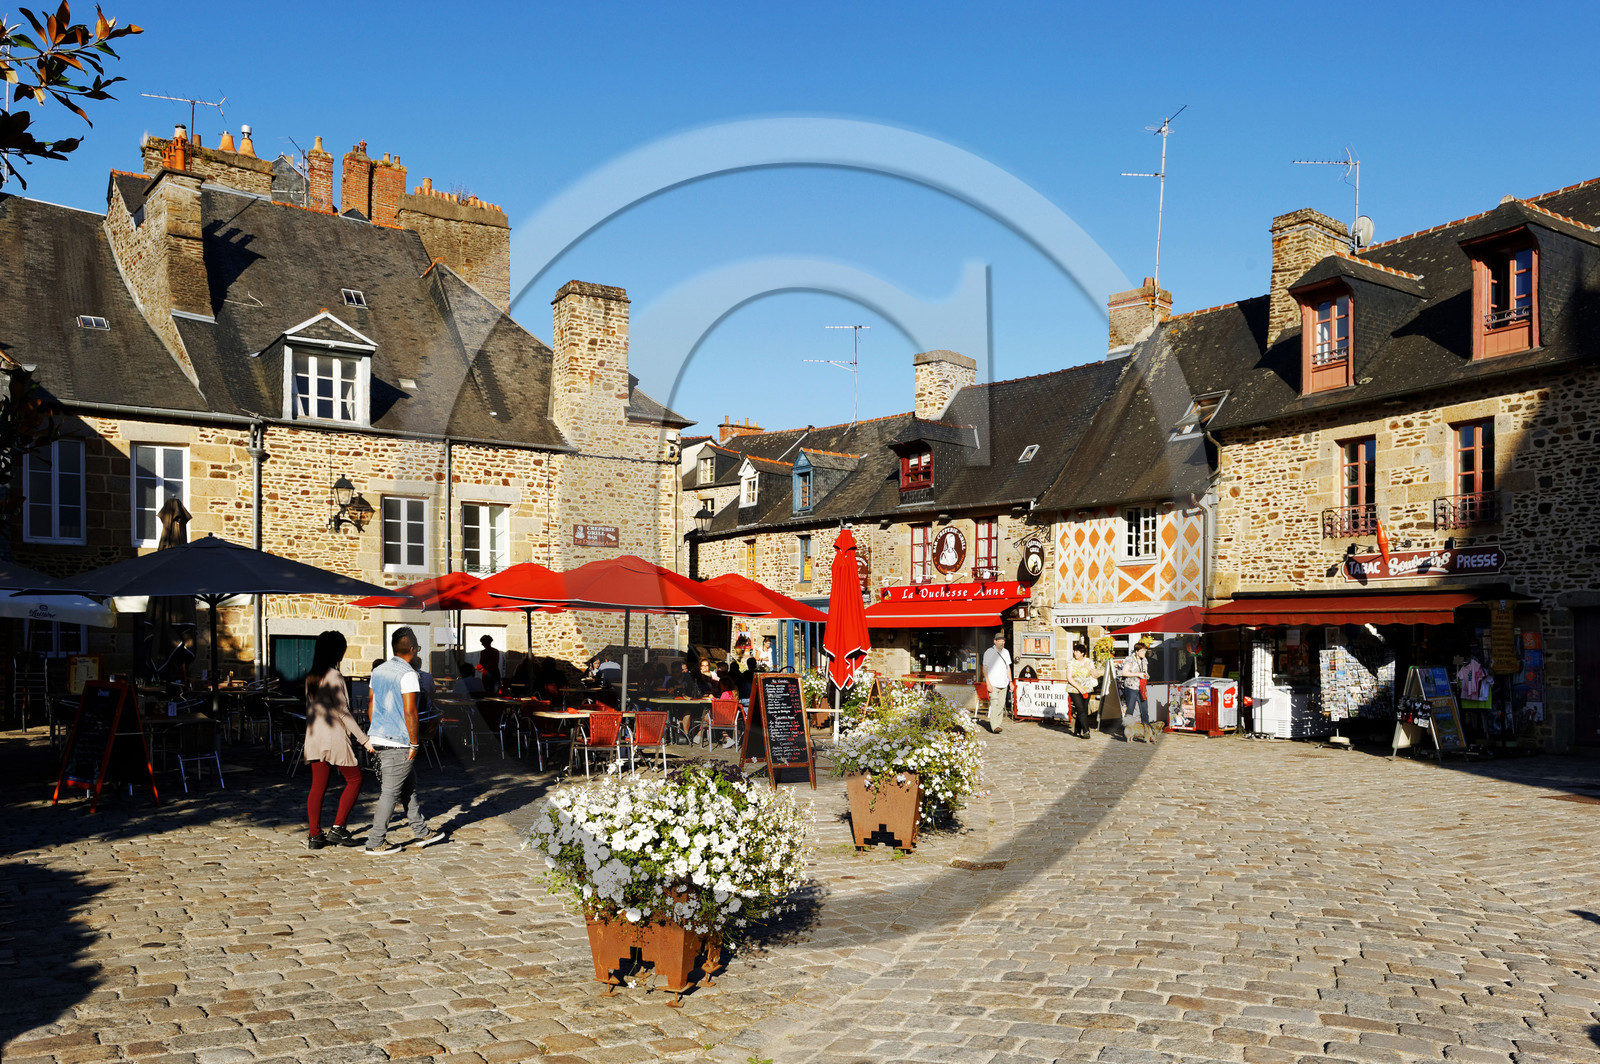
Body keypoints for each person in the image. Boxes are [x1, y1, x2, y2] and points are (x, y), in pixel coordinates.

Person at [365, 627, 445, 854]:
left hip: (380, 736)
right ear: (413, 649)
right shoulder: (409, 674)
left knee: (408, 784)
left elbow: (371, 703)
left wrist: (375, 732)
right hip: (399, 740)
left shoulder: (378, 670)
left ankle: (421, 831)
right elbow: (411, 711)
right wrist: (414, 742)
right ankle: (375, 841)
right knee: (390, 792)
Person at [303, 631, 374, 850]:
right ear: (337, 651)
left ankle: (315, 835)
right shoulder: (334, 675)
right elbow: (343, 712)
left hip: (314, 736)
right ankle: (338, 828)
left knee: (318, 786)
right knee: (355, 779)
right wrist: (364, 740)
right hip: (333, 736)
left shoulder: (312, 676)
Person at [1118, 640, 1155, 742]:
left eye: (1145, 651)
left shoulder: (1144, 660)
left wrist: (1145, 675)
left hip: (1141, 688)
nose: (1144, 653)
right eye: (1142, 651)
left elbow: (1146, 672)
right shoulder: (1130, 659)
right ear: (1137, 651)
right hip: (1131, 687)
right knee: (1130, 710)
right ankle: (1126, 731)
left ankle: (1147, 732)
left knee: (1144, 710)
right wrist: (1138, 674)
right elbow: (1124, 673)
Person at [1066, 642, 1101, 740]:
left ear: (1082, 653)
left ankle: (1077, 730)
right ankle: (1086, 731)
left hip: (1087, 688)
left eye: (1077, 651)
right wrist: (1080, 689)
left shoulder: (1089, 661)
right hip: (1074, 689)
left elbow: (1096, 675)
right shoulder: (1071, 662)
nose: (1075, 653)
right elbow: (1069, 678)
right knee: (1080, 708)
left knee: (1083, 709)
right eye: (1074, 651)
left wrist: (1089, 668)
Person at [981, 630, 1013, 734]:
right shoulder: (989, 652)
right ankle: (994, 726)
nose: (1002, 643)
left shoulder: (1006, 652)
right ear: (995, 641)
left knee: (1001, 704)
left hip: (1003, 683)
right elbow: (984, 668)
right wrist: (988, 683)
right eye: (1000, 641)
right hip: (993, 683)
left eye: (1003, 641)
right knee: (994, 703)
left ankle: (998, 724)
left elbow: (1008, 667)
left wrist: (1011, 682)